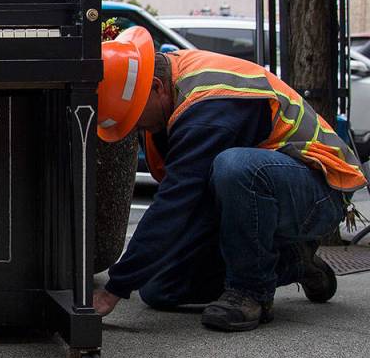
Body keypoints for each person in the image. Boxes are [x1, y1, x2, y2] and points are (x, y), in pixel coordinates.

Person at [93, 26, 366, 331]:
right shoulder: (172, 81)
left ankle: (251, 293)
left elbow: (178, 201)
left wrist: (114, 289)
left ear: (156, 87)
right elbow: (192, 204)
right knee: (159, 288)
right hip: (266, 194)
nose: (135, 127)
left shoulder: (210, 105)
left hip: (321, 190)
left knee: (235, 166)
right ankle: (292, 262)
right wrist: (138, 274)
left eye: (135, 116)